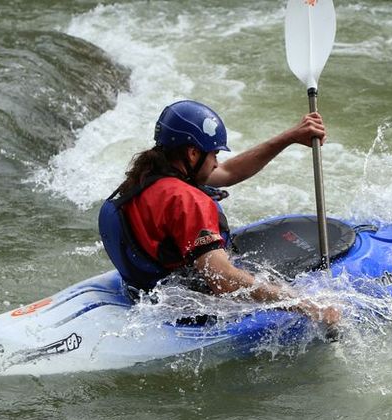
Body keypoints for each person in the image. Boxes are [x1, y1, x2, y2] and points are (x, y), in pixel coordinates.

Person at [98, 99, 340, 324]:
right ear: (192, 153)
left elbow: (228, 173)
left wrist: (290, 137)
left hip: (143, 290)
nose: (216, 162)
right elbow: (221, 279)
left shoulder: (144, 177)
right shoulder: (189, 202)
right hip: (183, 310)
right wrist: (305, 305)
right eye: (214, 153)